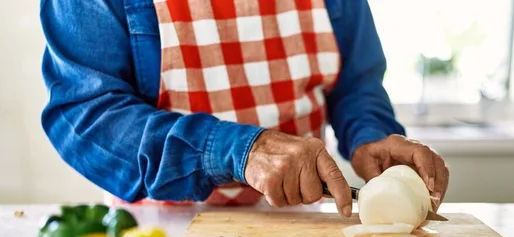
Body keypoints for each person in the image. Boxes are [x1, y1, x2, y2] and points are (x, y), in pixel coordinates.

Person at [40, 0, 449, 218]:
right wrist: (238, 150)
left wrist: (371, 135)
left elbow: (355, 81)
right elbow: (87, 115)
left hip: (307, 232)